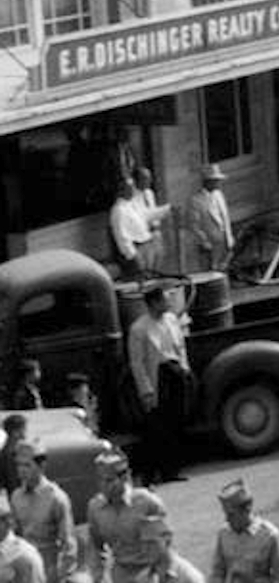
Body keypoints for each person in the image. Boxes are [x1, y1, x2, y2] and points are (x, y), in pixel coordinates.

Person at [86, 451, 167, 583]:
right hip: (121, 580)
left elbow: (164, 547)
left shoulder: (147, 503)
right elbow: (96, 548)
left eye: (109, 480)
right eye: (100, 481)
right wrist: (95, 582)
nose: (104, 486)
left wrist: (163, 579)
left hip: (148, 578)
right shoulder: (96, 508)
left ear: (125, 477)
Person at [11, 438, 77, 583]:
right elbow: (15, 536)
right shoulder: (16, 497)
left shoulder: (56, 498)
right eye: (19, 466)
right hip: (22, 568)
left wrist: (63, 576)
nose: (22, 471)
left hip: (49, 569)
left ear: (41, 466)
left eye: (27, 465)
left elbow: (69, 542)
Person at [127, 282, 192, 485]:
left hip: (175, 373)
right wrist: (146, 390)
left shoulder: (172, 320)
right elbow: (137, 363)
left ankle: (171, 470)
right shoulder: (139, 328)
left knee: (176, 422)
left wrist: (185, 368)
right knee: (156, 427)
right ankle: (150, 473)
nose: (169, 302)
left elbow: (180, 346)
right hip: (158, 377)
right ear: (154, 303)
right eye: (165, 299)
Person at [187, 163, 233, 272]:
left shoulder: (219, 195)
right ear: (208, 182)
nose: (218, 183)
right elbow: (194, 225)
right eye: (216, 180)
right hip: (209, 243)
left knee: (223, 270)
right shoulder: (196, 200)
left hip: (223, 240)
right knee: (209, 271)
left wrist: (229, 238)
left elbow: (225, 218)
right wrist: (204, 242)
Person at [110, 178, 152, 281]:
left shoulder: (130, 205)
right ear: (122, 191)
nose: (134, 190)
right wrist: (133, 256)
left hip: (143, 248)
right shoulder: (118, 210)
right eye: (131, 188)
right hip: (134, 255)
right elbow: (121, 236)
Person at [132, 168, 171, 275]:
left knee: (158, 263)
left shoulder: (149, 193)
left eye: (149, 178)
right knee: (147, 267)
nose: (149, 181)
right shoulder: (131, 197)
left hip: (156, 232)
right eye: (145, 179)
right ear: (136, 180)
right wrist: (166, 210)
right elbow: (145, 216)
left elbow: (153, 210)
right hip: (144, 235)